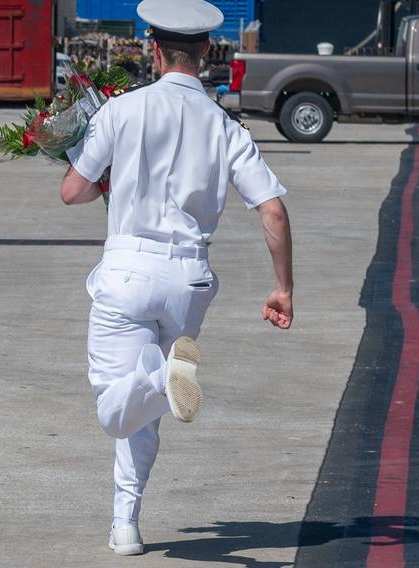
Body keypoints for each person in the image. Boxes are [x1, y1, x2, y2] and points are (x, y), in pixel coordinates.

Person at [60, 0, 294, 556]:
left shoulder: (122, 111)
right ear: (207, 53)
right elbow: (274, 210)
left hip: (128, 271)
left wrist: (104, 179)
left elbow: (73, 190)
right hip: (188, 281)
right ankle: (126, 524)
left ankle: (161, 381)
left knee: (115, 407)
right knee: (142, 414)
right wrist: (283, 287)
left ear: (154, 49)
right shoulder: (224, 125)